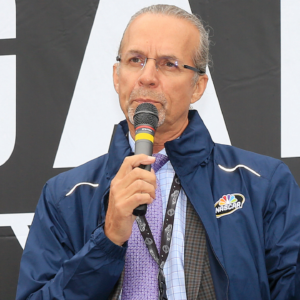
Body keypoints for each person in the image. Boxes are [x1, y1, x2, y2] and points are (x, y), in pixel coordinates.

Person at [16, 4, 300, 300]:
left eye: (168, 64)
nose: (147, 77)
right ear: (117, 76)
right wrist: (108, 239)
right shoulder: (65, 196)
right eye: (135, 59)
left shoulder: (263, 183)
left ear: (198, 87)